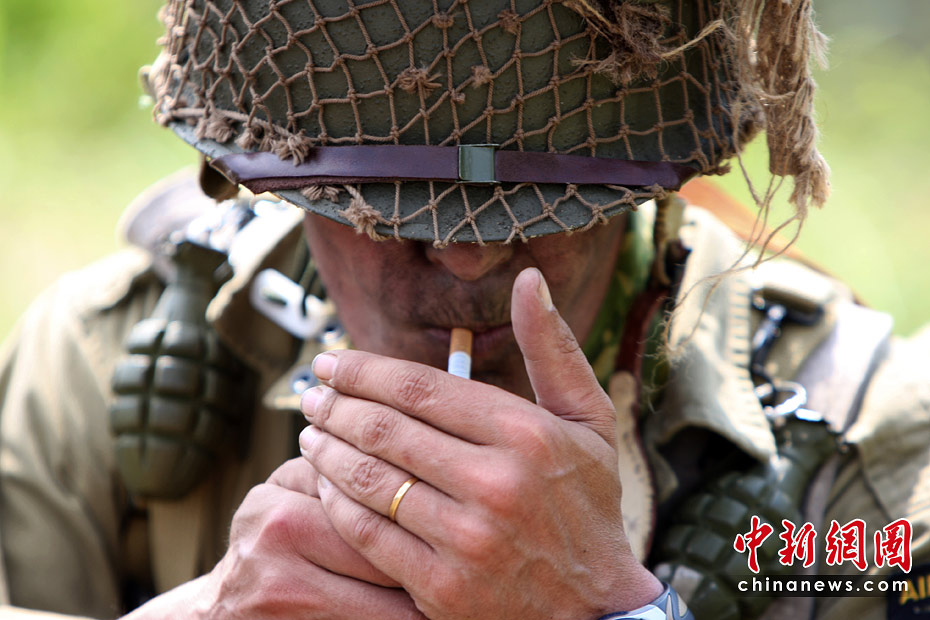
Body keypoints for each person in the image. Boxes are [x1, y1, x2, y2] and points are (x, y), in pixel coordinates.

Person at [1, 0, 928, 619]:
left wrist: (615, 609)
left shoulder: (865, 453)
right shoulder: (94, 365)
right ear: (258, 171)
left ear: (656, 176)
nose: (466, 253)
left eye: (543, 201)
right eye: (385, 202)